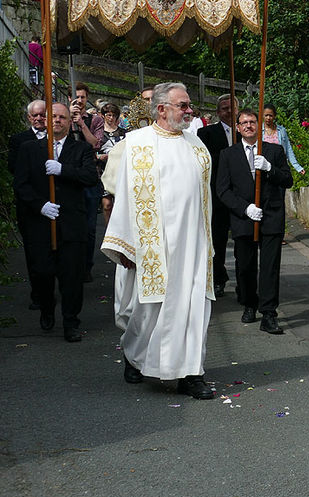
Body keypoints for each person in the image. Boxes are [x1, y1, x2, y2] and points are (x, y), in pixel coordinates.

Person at [101, 82, 215, 399]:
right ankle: (134, 355)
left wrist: (208, 245)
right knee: (148, 311)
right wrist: (124, 244)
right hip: (155, 246)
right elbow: (122, 195)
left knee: (194, 308)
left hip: (192, 246)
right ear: (162, 109)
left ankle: (192, 374)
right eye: (184, 105)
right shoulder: (136, 144)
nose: (190, 111)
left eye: (189, 105)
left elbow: (204, 200)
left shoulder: (198, 147)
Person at [13, 102, 97, 342]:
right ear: (47, 121)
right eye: (54, 117)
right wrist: (40, 205)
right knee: (42, 272)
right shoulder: (30, 149)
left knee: (71, 276)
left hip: (71, 223)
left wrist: (64, 170)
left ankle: (71, 322)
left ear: (70, 122)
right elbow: (21, 184)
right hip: (41, 223)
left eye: (63, 117)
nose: (58, 120)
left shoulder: (80, 149)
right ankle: (47, 309)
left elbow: (90, 177)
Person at [217, 109, 293, 334]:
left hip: (271, 215)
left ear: (258, 126)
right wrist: (245, 208)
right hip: (244, 217)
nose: (248, 125)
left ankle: (269, 313)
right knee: (245, 266)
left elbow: (287, 180)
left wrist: (270, 169)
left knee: (269, 267)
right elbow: (222, 190)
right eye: (244, 123)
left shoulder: (274, 151)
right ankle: (249, 303)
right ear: (238, 128)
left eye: (252, 122)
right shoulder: (228, 155)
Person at [198, 94, 237, 297]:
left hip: (243, 197)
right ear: (217, 112)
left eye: (231, 108)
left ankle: (245, 282)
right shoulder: (206, 133)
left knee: (244, 243)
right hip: (218, 194)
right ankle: (218, 278)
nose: (228, 112)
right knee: (218, 241)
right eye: (224, 108)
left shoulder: (248, 130)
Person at [9, 100, 47, 310]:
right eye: (36, 116)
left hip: (55, 202)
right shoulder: (19, 140)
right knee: (33, 251)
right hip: (30, 204)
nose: (40, 119)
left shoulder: (57, 137)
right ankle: (38, 293)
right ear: (29, 118)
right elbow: (14, 168)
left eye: (43, 115)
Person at [69, 81, 103, 281]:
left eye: (83, 97)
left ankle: (86, 266)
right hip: (67, 176)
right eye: (76, 97)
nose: (80, 101)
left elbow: (95, 144)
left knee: (89, 227)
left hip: (90, 176)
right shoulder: (61, 116)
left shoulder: (95, 120)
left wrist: (81, 123)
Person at [93, 103, 126, 224]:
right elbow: (92, 151)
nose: (111, 118)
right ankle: (108, 232)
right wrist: (100, 157)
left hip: (120, 172)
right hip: (103, 170)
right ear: (103, 116)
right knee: (106, 205)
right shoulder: (98, 133)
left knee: (119, 205)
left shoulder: (124, 133)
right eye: (108, 115)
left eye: (113, 115)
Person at [262, 103, 305, 175]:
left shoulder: (281, 131)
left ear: (274, 116)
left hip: (279, 167)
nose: (268, 118)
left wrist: (297, 167)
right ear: (262, 116)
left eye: (270, 115)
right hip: (264, 167)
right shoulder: (258, 131)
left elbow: (288, 149)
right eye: (266, 115)